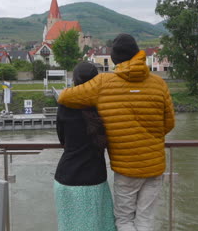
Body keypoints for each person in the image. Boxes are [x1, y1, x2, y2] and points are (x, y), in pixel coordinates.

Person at [58, 33, 175, 231]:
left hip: (127, 167)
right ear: (138, 53)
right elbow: (169, 123)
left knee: (124, 220)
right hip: (155, 165)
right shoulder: (159, 84)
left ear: (114, 58)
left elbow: (65, 97)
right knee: (146, 220)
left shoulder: (104, 83)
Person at [53, 62, 116, 231]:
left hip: (66, 177)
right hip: (94, 177)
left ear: (74, 81)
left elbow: (62, 140)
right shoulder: (104, 105)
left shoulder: (64, 105)